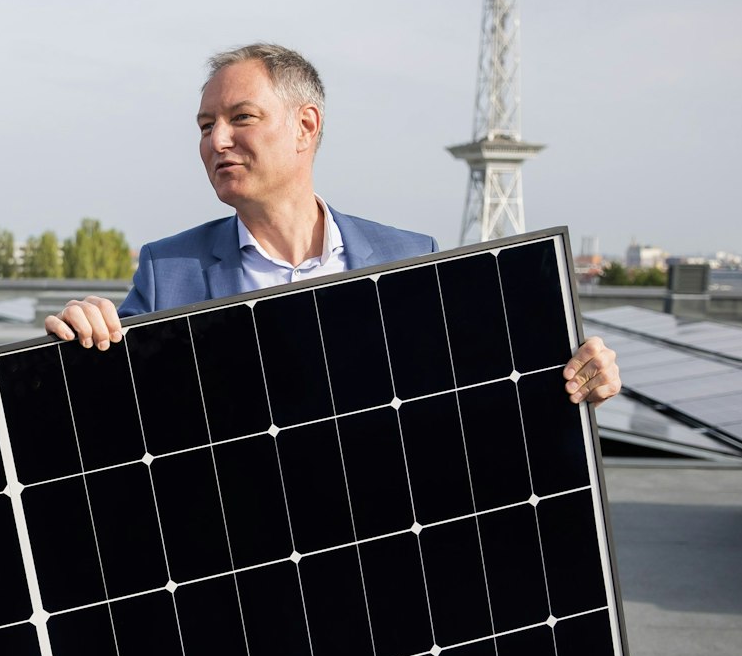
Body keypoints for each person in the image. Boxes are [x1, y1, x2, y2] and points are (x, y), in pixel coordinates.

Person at [46, 42, 621, 404]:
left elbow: (475, 392)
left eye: (240, 117)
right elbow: (110, 417)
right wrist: (81, 336)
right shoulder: (168, 272)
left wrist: (574, 380)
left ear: (305, 126)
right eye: (204, 125)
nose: (216, 140)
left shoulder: (412, 257)